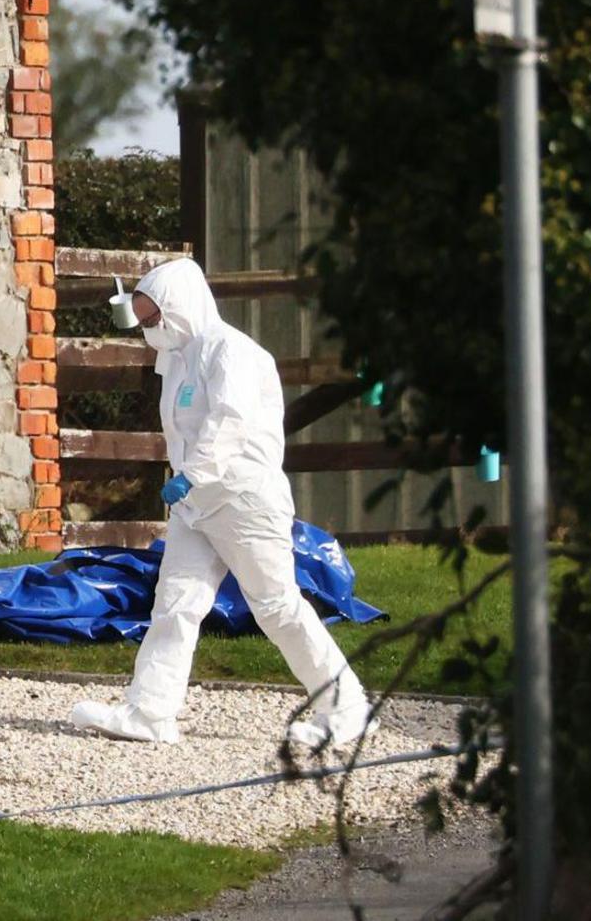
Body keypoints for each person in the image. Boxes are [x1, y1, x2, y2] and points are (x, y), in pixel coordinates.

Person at [68, 255, 375, 752]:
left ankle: (347, 707)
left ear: (181, 306)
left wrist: (191, 476)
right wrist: (190, 485)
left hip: (244, 500)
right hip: (197, 505)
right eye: (143, 320)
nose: (150, 329)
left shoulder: (233, 353)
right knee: (176, 603)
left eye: (154, 318)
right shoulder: (178, 359)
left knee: (276, 607)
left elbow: (228, 424)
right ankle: (150, 711)